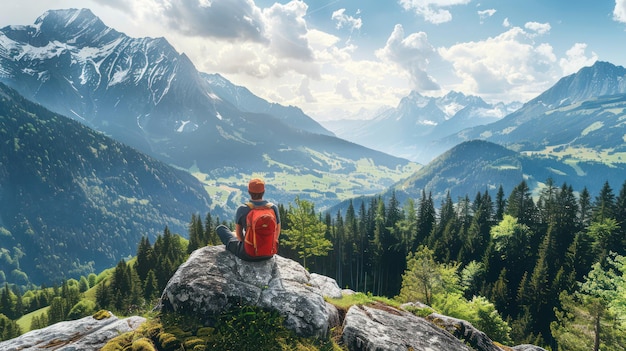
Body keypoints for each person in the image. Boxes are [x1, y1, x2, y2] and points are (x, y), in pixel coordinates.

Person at [216, 178, 281, 261]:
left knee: (221, 229)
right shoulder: (273, 208)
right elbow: (277, 232)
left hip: (249, 255)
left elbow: (239, 236)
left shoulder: (243, 209)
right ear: (263, 192)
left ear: (249, 192)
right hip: (269, 253)